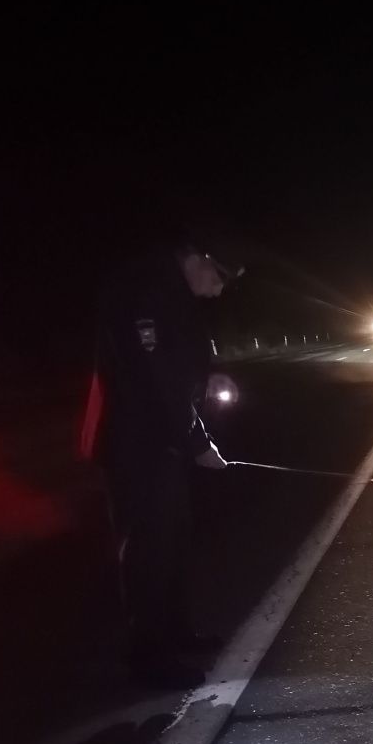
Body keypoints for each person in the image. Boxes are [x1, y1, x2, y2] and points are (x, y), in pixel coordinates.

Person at [83, 239, 243, 688]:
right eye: (219, 278)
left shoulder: (172, 291)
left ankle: (175, 633)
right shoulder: (145, 288)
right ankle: (148, 658)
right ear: (198, 258)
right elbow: (157, 380)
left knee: (174, 539)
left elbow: (182, 360)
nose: (217, 292)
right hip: (135, 444)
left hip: (163, 444)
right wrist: (198, 444)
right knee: (148, 551)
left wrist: (207, 376)